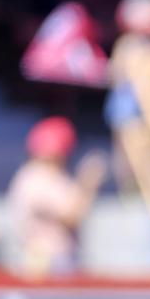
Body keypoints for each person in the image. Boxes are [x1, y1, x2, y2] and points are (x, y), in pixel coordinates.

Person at [8, 116, 106, 275]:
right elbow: (71, 216)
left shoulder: (57, 177)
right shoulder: (33, 177)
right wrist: (87, 183)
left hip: (61, 259)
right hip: (45, 262)